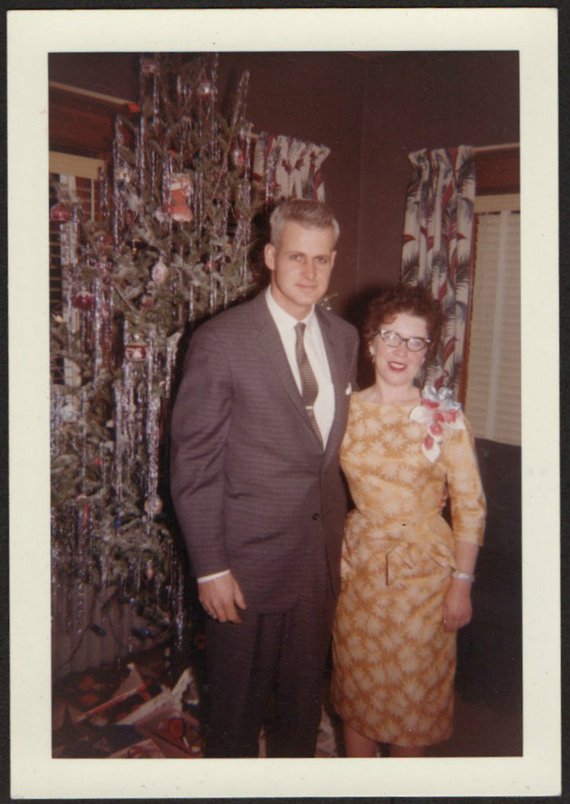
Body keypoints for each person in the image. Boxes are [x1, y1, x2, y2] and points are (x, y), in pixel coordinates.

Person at [170, 199, 359, 757]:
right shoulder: (221, 340)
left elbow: (329, 451)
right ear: (270, 255)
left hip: (317, 561)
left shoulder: (344, 338)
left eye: (322, 260)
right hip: (244, 566)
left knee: (301, 708)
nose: (309, 273)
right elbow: (194, 463)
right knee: (234, 712)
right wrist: (210, 567)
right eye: (297, 256)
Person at [331, 284, 486, 758]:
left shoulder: (446, 419)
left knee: (411, 706)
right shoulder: (344, 411)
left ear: (427, 353)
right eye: (391, 337)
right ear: (371, 341)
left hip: (424, 576)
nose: (401, 351)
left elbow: (471, 505)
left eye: (415, 341)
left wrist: (461, 583)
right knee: (358, 692)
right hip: (359, 570)